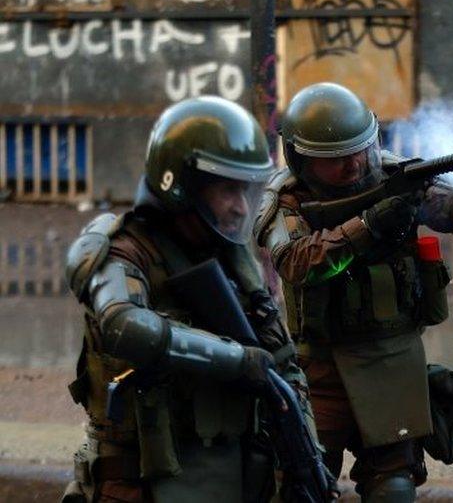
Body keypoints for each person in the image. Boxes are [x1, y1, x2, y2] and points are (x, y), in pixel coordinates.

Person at [254, 82, 453, 502]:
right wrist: (368, 226)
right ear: (301, 160)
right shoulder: (286, 199)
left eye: (360, 150)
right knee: (302, 485)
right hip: (319, 369)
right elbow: (297, 261)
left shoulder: (396, 176)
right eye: (336, 159)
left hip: (392, 362)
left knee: (394, 487)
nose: (355, 165)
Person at [61, 97, 316, 502]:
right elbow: (125, 325)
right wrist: (235, 360)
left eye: (247, 190)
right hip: (142, 476)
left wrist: (305, 459)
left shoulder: (233, 259)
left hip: (232, 474)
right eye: (227, 189)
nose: (240, 206)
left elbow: (281, 365)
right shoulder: (124, 249)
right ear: (180, 185)